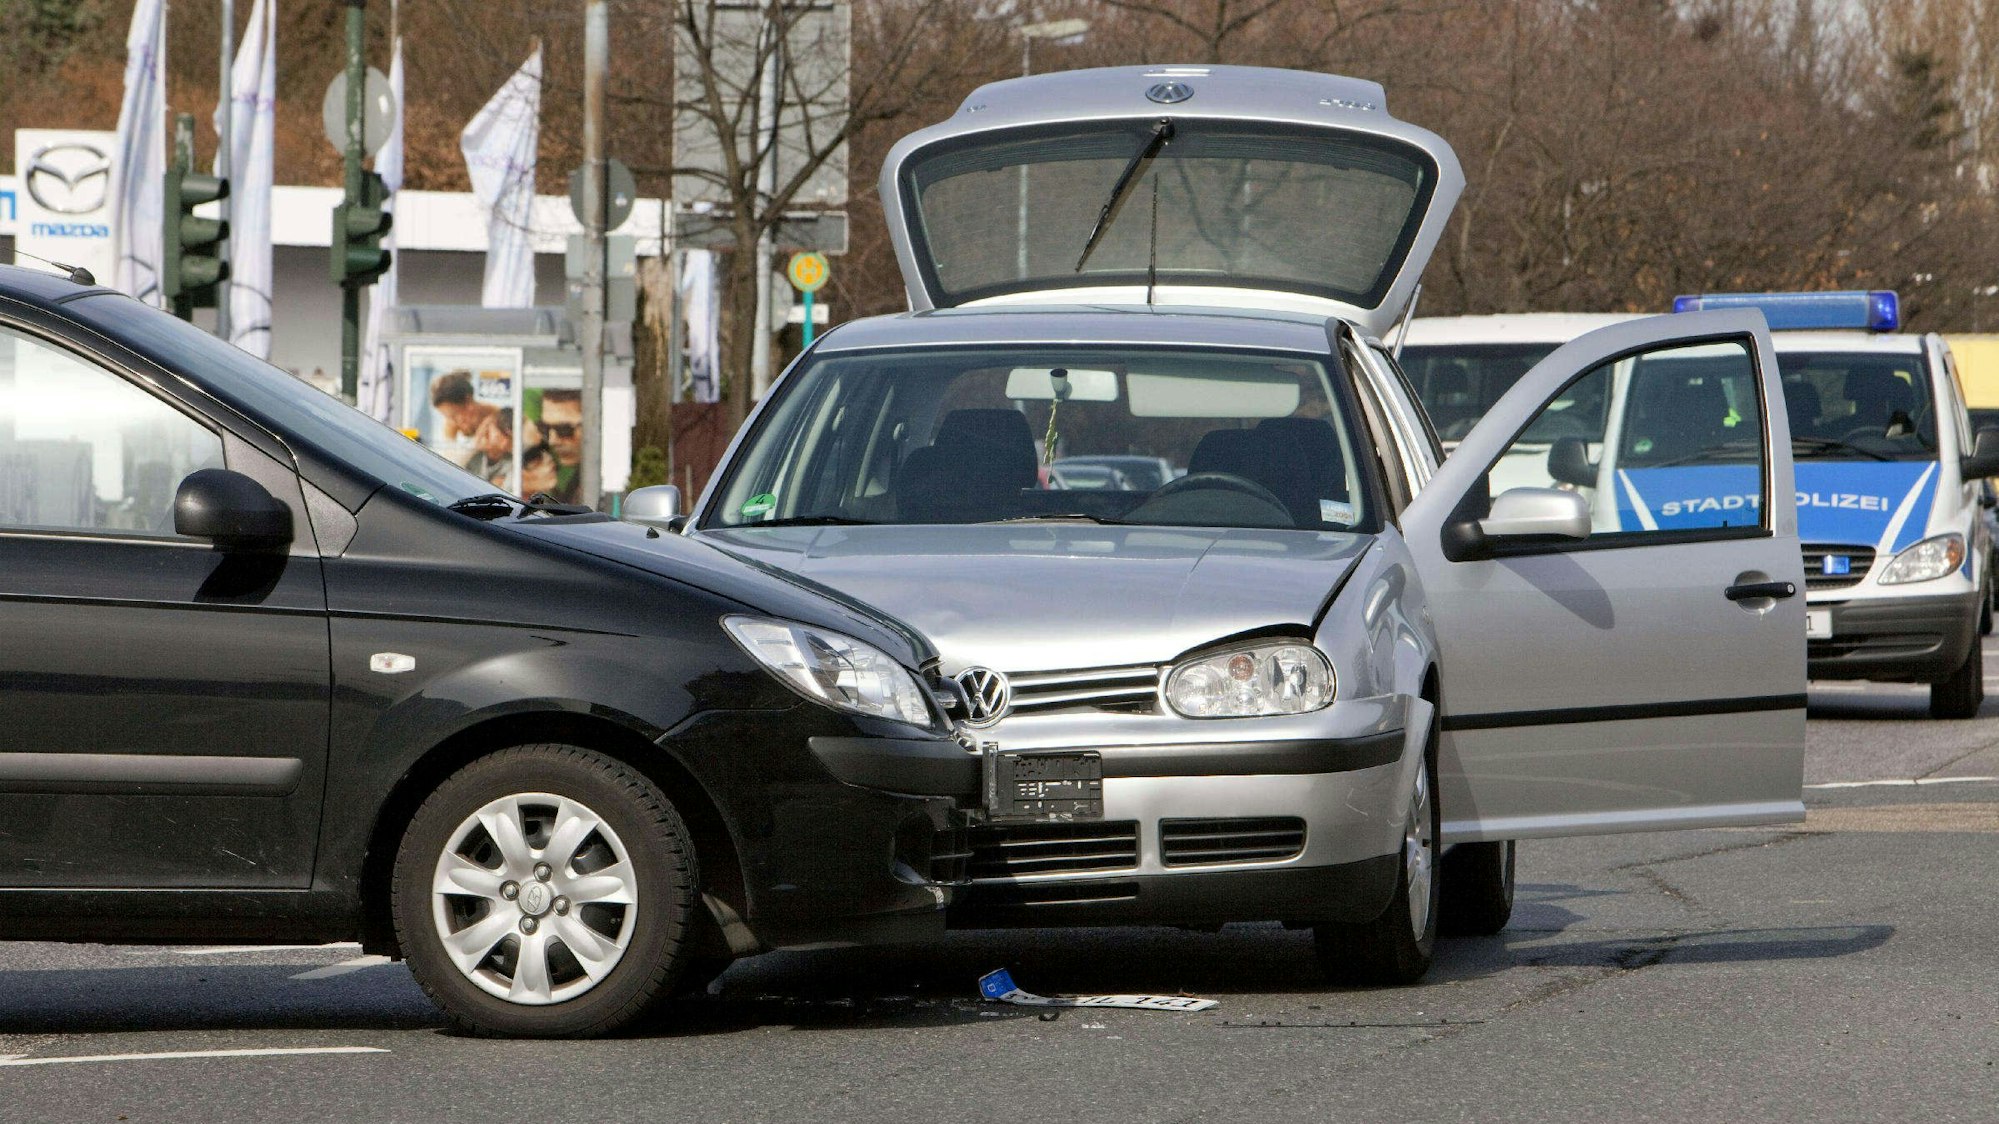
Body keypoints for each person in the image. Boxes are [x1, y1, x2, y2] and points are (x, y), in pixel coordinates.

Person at [537, 389, 584, 503]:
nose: (552, 441)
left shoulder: (611, 482)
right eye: (545, 428)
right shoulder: (578, 480)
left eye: (563, 429)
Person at [430, 370, 498, 443]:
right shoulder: (452, 423)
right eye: (448, 417)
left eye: (454, 416)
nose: (452, 421)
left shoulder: (495, 414)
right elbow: (449, 447)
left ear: (469, 403)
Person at [464, 407, 515, 488]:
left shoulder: (513, 462)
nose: (505, 441)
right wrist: (476, 443)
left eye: (510, 437)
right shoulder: (474, 455)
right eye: (502, 433)